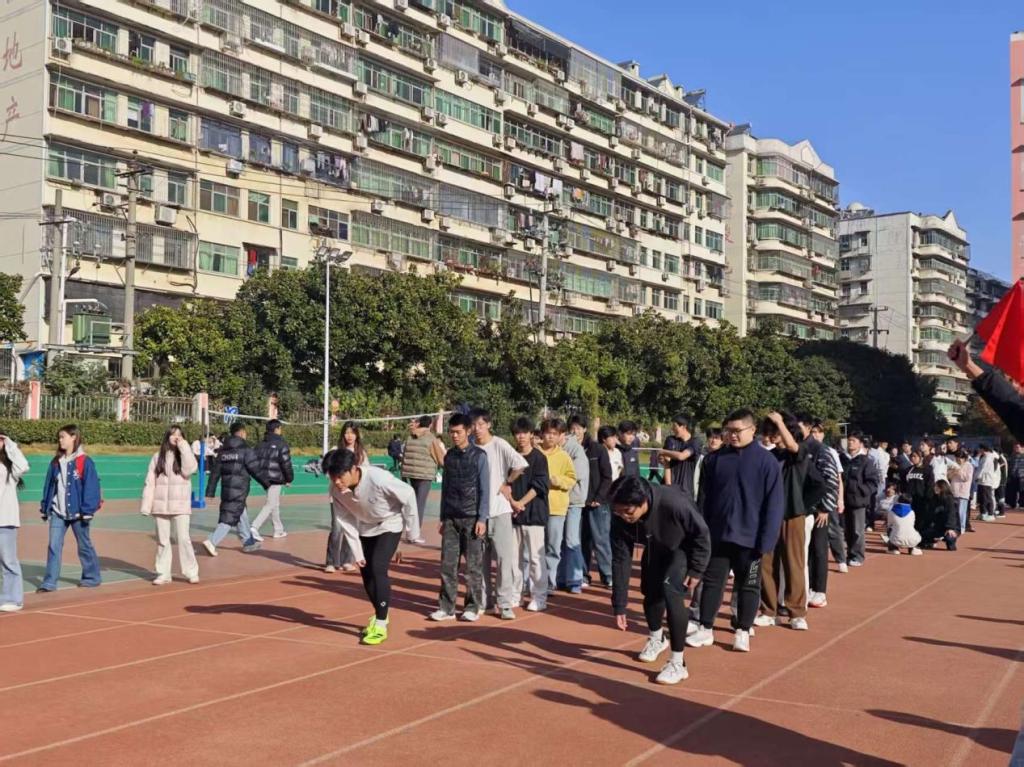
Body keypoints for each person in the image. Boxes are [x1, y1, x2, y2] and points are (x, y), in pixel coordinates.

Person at [687, 409, 784, 654]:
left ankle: (742, 630)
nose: (732, 435)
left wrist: (766, 541)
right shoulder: (714, 460)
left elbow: (774, 505)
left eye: (737, 431)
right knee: (712, 583)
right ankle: (705, 627)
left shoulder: (767, 462)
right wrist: (701, 532)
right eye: (728, 430)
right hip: (718, 536)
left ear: (752, 430)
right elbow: (703, 500)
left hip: (751, 540)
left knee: (749, 585)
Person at [610, 475, 710, 685]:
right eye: (618, 512)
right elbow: (621, 559)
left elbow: (701, 534)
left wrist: (697, 570)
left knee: (670, 590)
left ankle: (678, 663)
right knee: (650, 590)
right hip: (655, 545)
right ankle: (657, 638)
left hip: (683, 547)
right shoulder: (619, 517)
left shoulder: (675, 503)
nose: (624, 517)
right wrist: (619, 604)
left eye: (628, 512)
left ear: (643, 501)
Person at [324, 448, 417, 645]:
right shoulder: (335, 490)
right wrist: (357, 552)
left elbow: (408, 494)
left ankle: (381, 625)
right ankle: (380, 614)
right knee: (366, 572)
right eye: (333, 477)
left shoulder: (378, 479)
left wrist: (412, 532)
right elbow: (345, 520)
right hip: (365, 527)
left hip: (389, 523)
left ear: (353, 469)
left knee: (377, 566)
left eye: (340, 476)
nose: (337, 482)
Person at [756, 412, 824, 631]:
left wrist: (804, 506)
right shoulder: (769, 457)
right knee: (766, 564)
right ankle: (769, 610)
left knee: (794, 563)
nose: (772, 435)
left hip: (793, 516)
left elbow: (819, 484)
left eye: (775, 430)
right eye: (770, 431)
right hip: (768, 516)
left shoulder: (799, 452)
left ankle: (796, 612)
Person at [430, 413, 489, 622]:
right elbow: (445, 488)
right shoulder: (449, 457)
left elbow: (484, 489)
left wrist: (482, 518)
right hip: (451, 518)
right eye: (451, 432)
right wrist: (442, 517)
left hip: (472, 518)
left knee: (473, 567)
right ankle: (446, 607)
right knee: (448, 565)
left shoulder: (480, 456)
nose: (454, 436)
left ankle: (472, 607)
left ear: (468, 431)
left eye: (458, 432)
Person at [473, 410, 528, 619]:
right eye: (474, 425)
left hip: (500, 511)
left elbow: (520, 464)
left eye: (481, 424)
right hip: (478, 512)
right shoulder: (471, 448)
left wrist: (507, 481)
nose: (477, 429)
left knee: (504, 559)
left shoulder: (499, 444)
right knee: (480, 560)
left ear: (488, 424)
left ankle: (504, 603)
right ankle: (484, 601)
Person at [38, 425, 102, 592]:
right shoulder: (55, 462)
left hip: (79, 513)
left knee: (84, 545)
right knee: (54, 546)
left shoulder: (84, 461)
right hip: (58, 512)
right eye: (59, 437)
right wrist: (45, 507)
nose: (60, 440)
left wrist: (88, 510)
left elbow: (91, 486)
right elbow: (49, 486)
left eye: (63, 437)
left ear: (74, 437)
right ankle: (49, 582)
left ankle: (91, 577)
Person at [140, 426, 200, 585]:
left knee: (183, 539)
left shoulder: (185, 455)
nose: (176, 437)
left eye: (179, 435)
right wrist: (146, 505)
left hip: (180, 506)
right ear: (167, 437)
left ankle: (191, 571)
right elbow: (150, 482)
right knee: (162, 541)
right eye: (173, 434)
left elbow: (190, 469)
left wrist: (184, 447)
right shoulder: (157, 457)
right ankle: (163, 573)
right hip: (160, 507)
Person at [202, 423, 263, 557]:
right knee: (229, 518)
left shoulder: (223, 451)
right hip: (239, 489)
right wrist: (267, 483)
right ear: (241, 433)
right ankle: (212, 541)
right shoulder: (245, 449)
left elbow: (215, 473)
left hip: (227, 490)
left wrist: (210, 491)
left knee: (240, 513)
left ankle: (248, 542)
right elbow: (255, 469)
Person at [797, 416, 839, 610]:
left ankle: (819, 590)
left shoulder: (820, 450)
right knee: (803, 551)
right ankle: (805, 587)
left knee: (818, 548)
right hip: (800, 508)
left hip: (818, 509)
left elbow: (831, 480)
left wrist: (825, 508)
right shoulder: (796, 447)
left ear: (807, 427)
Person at [511, 417, 550, 612]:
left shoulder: (539, 458)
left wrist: (521, 503)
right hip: (513, 515)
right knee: (514, 558)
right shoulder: (511, 456)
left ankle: (539, 597)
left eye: (525, 433)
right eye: (518, 433)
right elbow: (505, 483)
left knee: (535, 557)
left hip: (534, 514)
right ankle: (515, 594)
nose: (521, 437)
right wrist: (513, 503)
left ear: (532, 435)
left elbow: (540, 485)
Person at [537, 418, 576, 600]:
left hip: (556, 508)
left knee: (552, 547)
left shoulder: (564, 456)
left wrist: (557, 481)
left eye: (555, 434)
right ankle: (532, 582)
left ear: (560, 436)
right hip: (535, 507)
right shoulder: (534, 453)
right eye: (548, 433)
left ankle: (549, 582)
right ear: (541, 434)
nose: (551, 437)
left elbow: (572, 479)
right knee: (533, 547)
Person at [326, 422, 373, 573]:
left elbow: (366, 473)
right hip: (337, 496)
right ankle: (331, 561)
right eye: (346, 433)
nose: (349, 436)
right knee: (336, 528)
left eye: (352, 433)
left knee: (351, 527)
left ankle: (347, 560)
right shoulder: (336, 451)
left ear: (357, 435)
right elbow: (328, 471)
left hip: (354, 497)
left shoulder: (361, 453)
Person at [400, 416, 445, 544]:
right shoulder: (430, 438)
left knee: (412, 504)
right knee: (420, 504)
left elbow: (404, 456)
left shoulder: (410, 437)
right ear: (430, 425)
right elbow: (440, 458)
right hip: (424, 474)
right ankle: (414, 534)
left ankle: (409, 532)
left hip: (410, 473)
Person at [584, 425, 620, 589]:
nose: (615, 440)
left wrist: (599, 497)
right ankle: (583, 574)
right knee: (583, 540)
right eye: (612, 437)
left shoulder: (603, 451)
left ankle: (608, 575)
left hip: (600, 502)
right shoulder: (580, 449)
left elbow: (608, 476)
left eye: (579, 428)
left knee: (601, 539)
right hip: (582, 502)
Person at [558, 415, 590, 594]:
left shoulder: (576, 450)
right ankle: (561, 577)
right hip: (557, 501)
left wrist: (556, 480)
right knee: (558, 541)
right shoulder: (553, 448)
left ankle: (576, 578)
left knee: (571, 539)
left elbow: (575, 475)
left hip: (573, 501)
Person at [249, 419, 294, 541]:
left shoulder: (260, 444)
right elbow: (286, 463)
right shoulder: (281, 444)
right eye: (280, 428)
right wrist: (289, 478)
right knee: (270, 504)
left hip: (263, 478)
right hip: (275, 478)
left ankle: (278, 530)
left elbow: (253, 460)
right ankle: (254, 527)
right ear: (277, 429)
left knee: (274, 503)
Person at [841, 431, 879, 569]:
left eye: (853, 441)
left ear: (860, 444)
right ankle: (849, 555)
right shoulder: (842, 459)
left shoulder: (866, 461)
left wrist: (861, 491)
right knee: (846, 530)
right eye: (849, 440)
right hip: (843, 501)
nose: (850, 443)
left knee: (857, 530)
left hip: (858, 501)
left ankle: (857, 556)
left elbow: (873, 483)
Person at [0, 431, 29, 611]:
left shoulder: (9, 467)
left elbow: (23, 465)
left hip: (5, 520)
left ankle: (13, 599)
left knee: (8, 561)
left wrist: (10, 444)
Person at [659, 415, 701, 500]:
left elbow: (681, 456)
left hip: (687, 490)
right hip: (670, 487)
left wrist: (663, 451)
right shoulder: (670, 440)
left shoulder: (695, 442)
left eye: (675, 426)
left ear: (684, 426)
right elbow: (666, 462)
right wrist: (668, 486)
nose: (672, 428)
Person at [901, 450, 934, 540]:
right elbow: (903, 484)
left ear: (921, 458)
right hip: (910, 500)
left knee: (921, 520)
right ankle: (910, 538)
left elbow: (930, 485)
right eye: (912, 456)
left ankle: (922, 539)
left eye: (915, 456)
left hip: (922, 499)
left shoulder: (927, 469)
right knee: (910, 520)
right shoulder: (908, 470)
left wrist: (928, 498)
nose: (913, 458)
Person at [921, 480, 960, 552]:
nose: (935, 488)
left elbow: (951, 514)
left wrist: (950, 528)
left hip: (951, 527)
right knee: (924, 534)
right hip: (938, 526)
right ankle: (931, 542)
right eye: (935, 486)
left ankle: (951, 543)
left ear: (943, 488)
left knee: (949, 537)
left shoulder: (950, 499)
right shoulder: (933, 499)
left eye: (938, 487)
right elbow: (930, 514)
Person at [947, 450, 975, 533]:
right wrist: (953, 472)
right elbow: (948, 476)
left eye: (961, 458)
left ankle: (961, 528)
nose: (959, 460)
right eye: (957, 458)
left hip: (963, 492)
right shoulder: (953, 465)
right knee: (953, 511)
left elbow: (966, 478)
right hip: (953, 491)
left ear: (965, 458)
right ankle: (954, 527)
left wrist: (959, 470)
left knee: (961, 512)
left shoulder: (969, 466)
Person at [976, 444, 1000, 522]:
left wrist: (977, 476)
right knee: (982, 498)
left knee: (987, 498)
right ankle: (983, 513)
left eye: (980, 449)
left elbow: (983, 469)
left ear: (983, 449)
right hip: (982, 480)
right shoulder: (984, 457)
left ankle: (990, 514)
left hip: (986, 480)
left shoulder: (989, 458)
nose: (979, 450)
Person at [205, 432, 228, 498]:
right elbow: (213, 448)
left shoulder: (219, 442)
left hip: (217, 455)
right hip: (216, 454)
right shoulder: (216, 442)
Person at [1007, 443, 1024, 510]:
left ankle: (1022, 504)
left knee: (1022, 491)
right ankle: (1013, 504)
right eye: (1015, 447)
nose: (1016, 449)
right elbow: (1011, 466)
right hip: (1014, 476)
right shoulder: (1013, 456)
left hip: (1022, 476)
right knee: (1013, 491)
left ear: (1022, 448)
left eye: (1017, 447)